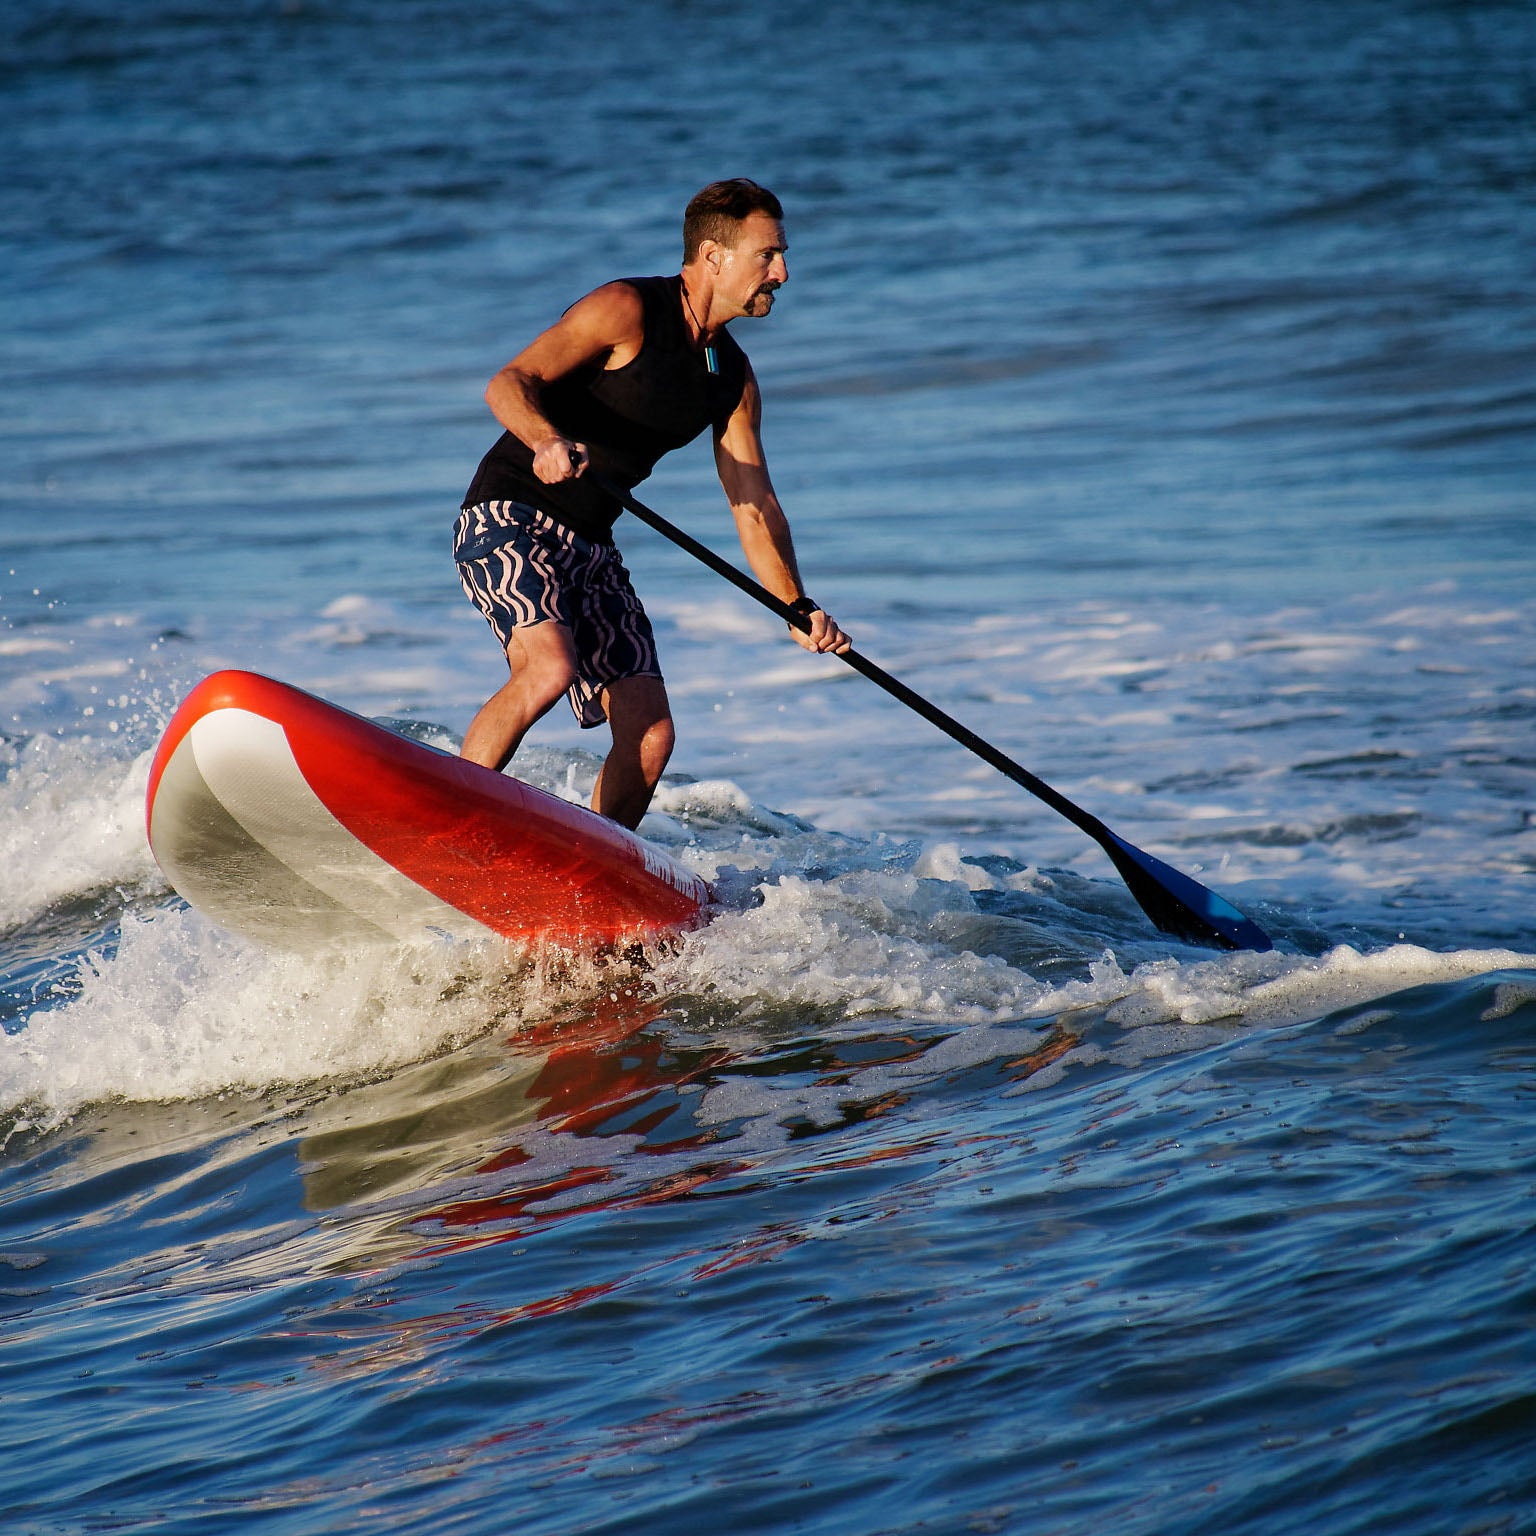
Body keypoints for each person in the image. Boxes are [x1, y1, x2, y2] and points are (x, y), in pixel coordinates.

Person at [453, 178, 849, 829]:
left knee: (651, 733)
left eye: (782, 254)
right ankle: (449, 823)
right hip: (509, 515)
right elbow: (509, 382)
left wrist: (795, 605)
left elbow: (753, 503)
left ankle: (595, 870)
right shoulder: (627, 309)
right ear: (714, 257)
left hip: (591, 544)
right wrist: (547, 439)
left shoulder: (731, 378)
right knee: (548, 668)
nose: (782, 271)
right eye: (767, 254)